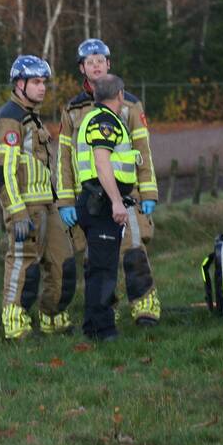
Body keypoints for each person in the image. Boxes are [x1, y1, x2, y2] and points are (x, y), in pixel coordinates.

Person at [56, 39, 161, 326]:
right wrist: (65, 201)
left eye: (101, 60)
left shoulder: (128, 104)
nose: (96, 65)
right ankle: (107, 308)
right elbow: (64, 158)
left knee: (134, 249)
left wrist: (148, 191)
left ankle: (144, 306)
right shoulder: (73, 110)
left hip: (128, 194)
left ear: (109, 64)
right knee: (99, 257)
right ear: (82, 69)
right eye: (90, 62)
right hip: (91, 198)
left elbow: (144, 149)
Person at [0, 55, 76, 340]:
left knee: (63, 262)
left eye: (44, 82)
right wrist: (17, 213)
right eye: (36, 82)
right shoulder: (9, 119)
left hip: (47, 205)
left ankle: (52, 318)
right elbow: (4, 172)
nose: (42, 88)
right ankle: (16, 324)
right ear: (19, 84)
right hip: (25, 208)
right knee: (23, 265)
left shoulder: (31, 117)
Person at [73, 74, 139, 341]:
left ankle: (92, 326)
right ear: (120, 94)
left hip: (98, 203)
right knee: (104, 270)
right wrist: (115, 202)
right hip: (100, 205)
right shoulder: (104, 121)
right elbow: (102, 163)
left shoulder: (99, 117)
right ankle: (103, 330)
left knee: (98, 267)